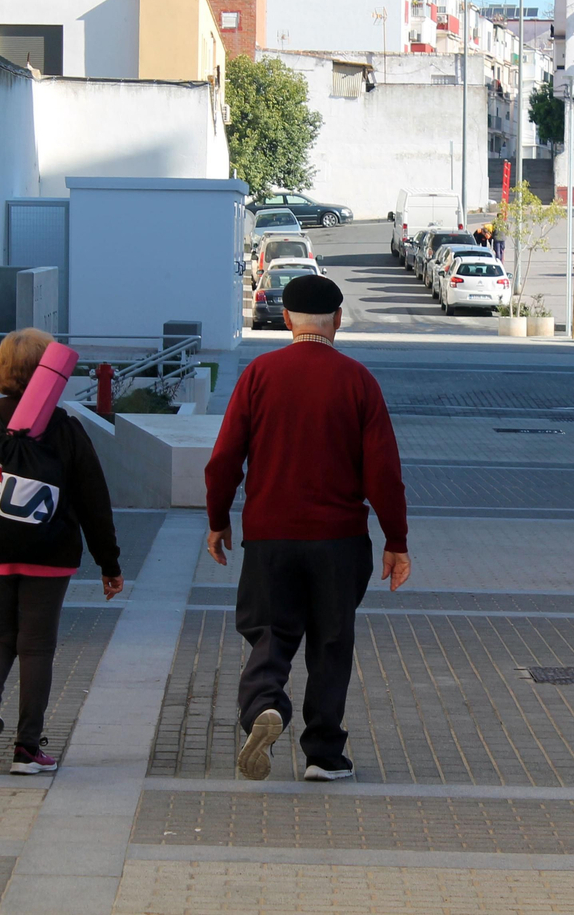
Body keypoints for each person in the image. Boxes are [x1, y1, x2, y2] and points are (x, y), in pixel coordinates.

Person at [205, 275, 411, 783]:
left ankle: (263, 708)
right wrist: (396, 541)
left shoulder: (259, 374)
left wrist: (217, 520)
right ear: (338, 320)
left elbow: (224, 458)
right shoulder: (357, 380)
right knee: (331, 643)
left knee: (268, 633)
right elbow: (383, 471)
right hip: (340, 541)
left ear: (289, 320)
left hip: (270, 536)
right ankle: (323, 754)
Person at [0, 328, 123, 774]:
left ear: (2, 370)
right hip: (49, 554)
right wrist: (109, 564)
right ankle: (26, 748)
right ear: (49, 374)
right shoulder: (66, 428)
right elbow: (94, 501)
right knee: (37, 647)